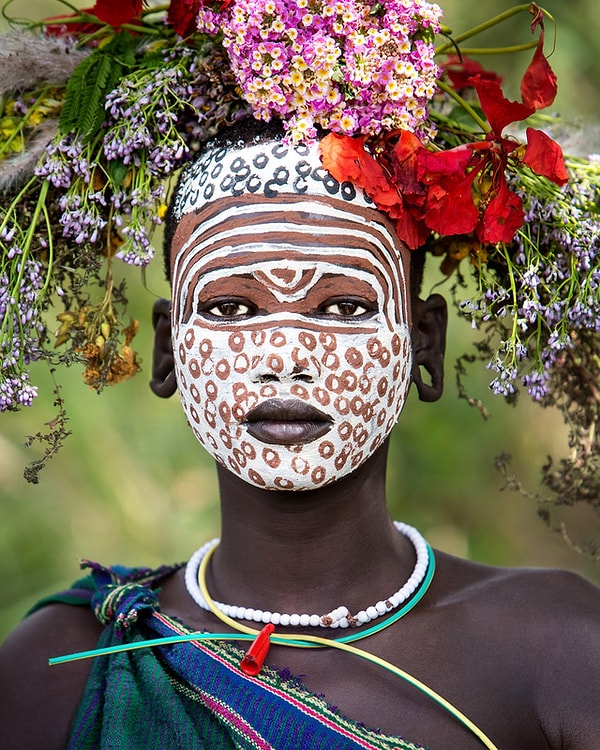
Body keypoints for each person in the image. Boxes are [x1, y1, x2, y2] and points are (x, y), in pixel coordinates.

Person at [1, 0, 600, 747]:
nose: (286, 356)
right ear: (167, 350)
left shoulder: (558, 651)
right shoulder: (58, 668)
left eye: (344, 307)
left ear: (423, 345)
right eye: (230, 308)